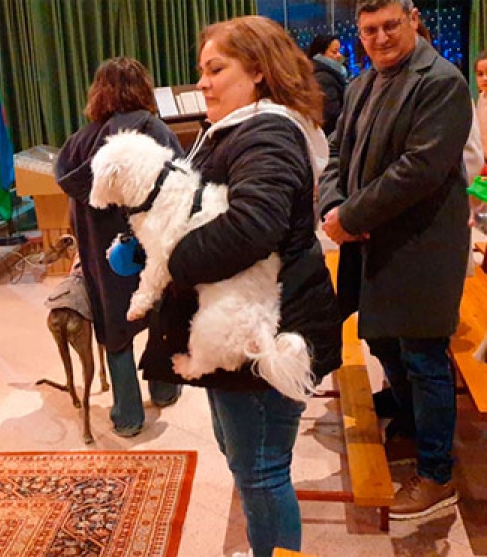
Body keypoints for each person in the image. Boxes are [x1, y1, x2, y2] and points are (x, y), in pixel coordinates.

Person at [140, 16, 341, 555]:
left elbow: (254, 225)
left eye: (215, 69)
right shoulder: (240, 127)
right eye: (201, 70)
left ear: (256, 70)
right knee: (243, 454)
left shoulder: (267, 131)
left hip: (265, 326)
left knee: (261, 470)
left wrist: (169, 260)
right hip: (243, 324)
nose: (202, 82)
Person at [318, 0, 471, 521]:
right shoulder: (363, 82)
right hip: (371, 238)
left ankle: (437, 473)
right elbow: (337, 153)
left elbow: (418, 170)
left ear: (410, 19)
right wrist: (331, 206)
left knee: (424, 354)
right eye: (369, 30)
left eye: (390, 26)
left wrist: (350, 214)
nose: (380, 38)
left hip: (421, 246)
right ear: (358, 33)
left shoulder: (442, 81)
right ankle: (407, 417)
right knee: (380, 337)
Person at [55, 57, 183, 438]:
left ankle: (127, 415)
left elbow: (75, 201)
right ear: (143, 87)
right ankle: (163, 388)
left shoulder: (79, 142)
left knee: (115, 325)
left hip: (102, 253)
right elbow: (177, 184)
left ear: (98, 92)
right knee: (160, 311)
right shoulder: (153, 130)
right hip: (149, 244)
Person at [307, 34, 347, 136]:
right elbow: (331, 114)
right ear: (320, 54)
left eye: (339, 51)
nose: (339, 56)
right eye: (334, 52)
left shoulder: (329, 74)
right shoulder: (323, 79)